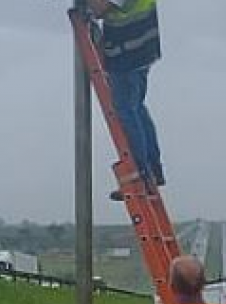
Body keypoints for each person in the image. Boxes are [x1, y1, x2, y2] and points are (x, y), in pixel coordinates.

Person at [86, 0, 165, 201]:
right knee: (136, 108)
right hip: (141, 50)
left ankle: (141, 175)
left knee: (127, 111)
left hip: (127, 54)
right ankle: (152, 170)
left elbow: (101, 8)